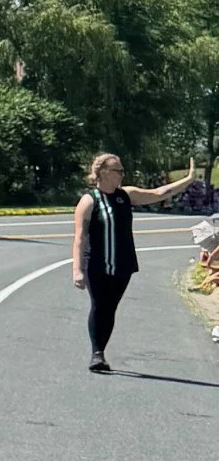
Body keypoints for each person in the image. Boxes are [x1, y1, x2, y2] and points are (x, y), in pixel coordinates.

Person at [71, 151, 191, 372]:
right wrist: (77, 269)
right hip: (96, 264)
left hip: (123, 263)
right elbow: (80, 237)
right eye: (118, 170)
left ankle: (101, 350)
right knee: (100, 306)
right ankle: (97, 353)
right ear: (104, 172)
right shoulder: (89, 201)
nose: (122, 175)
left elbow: (159, 193)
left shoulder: (126, 194)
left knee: (110, 308)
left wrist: (189, 178)